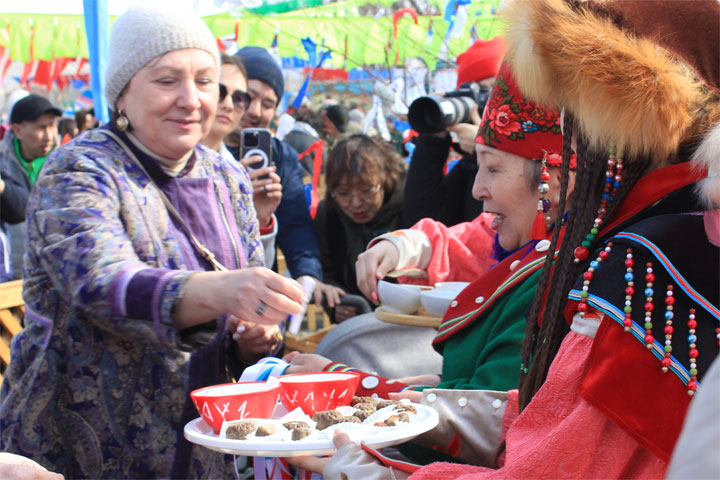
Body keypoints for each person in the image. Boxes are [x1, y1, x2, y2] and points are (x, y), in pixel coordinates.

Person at [290, 0, 720, 477]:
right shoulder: (683, 227)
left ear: (617, 117)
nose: (566, 145)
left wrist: (366, 469)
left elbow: (552, 465)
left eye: (570, 122)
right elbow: (558, 420)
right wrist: (407, 402)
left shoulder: (647, 263)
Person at [0, 6, 307, 478]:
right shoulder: (79, 169)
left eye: (206, 81)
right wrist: (221, 291)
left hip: (200, 445)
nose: (191, 99)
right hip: (78, 448)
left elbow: (244, 323)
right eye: (167, 81)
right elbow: (101, 284)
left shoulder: (227, 178)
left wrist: (256, 337)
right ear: (122, 93)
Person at [286, 64, 576, 464]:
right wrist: (408, 244)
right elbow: (470, 239)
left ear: (554, 183)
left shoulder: (554, 280)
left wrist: (347, 383)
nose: (477, 189)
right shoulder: (546, 254)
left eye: (493, 168)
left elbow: (494, 425)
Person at [226, 46, 335, 300]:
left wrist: (307, 273)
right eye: (247, 97)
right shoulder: (202, 149)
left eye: (267, 104)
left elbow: (295, 222)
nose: (254, 111)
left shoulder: (281, 155)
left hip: (260, 290)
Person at [403, 36, 506, 228]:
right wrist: (432, 138)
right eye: (474, 92)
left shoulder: (541, 159)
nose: (486, 103)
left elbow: (504, 222)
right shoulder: (467, 167)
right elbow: (423, 222)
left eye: (495, 90)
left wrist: (486, 148)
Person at [313, 134, 406, 321]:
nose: (356, 203)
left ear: (385, 181)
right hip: (357, 324)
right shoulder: (328, 215)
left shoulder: (408, 206)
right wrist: (335, 303)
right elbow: (325, 271)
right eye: (343, 193)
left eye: (366, 190)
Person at [202, 54, 282, 269]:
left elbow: (255, 268)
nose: (228, 104)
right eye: (220, 92)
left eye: (239, 97)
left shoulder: (234, 172)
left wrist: (260, 219)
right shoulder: (170, 160)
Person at [1, 94, 61, 280]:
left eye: (52, 125)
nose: (49, 136)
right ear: (18, 130)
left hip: (57, 274)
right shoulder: (3, 163)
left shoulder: (65, 164)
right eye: (41, 128)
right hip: (16, 274)